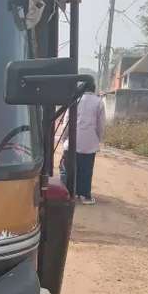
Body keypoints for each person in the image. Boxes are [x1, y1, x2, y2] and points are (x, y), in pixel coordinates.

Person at [59, 75, 106, 204]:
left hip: (72, 143)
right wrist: (98, 139)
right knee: (86, 170)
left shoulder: (75, 100)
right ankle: (84, 196)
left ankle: (67, 194)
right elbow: (101, 125)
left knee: (68, 170)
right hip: (89, 144)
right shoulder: (98, 102)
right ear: (93, 88)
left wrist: (64, 138)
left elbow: (66, 122)